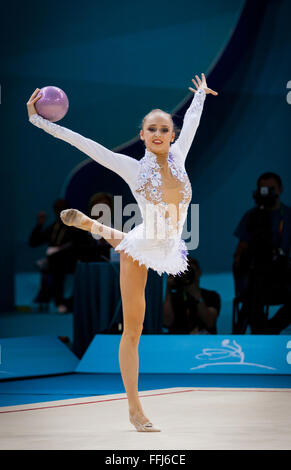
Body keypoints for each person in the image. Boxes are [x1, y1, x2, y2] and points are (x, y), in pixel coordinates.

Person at [27, 74, 218, 432]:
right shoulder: (133, 168)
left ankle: (98, 227)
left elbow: (192, 118)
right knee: (134, 330)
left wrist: (200, 96)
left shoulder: (179, 153)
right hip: (143, 244)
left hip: (170, 244)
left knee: (134, 246)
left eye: (165, 128)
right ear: (143, 136)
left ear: (171, 135)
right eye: (152, 129)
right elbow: (87, 145)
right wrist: (38, 120)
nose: (159, 133)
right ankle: (134, 409)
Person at [233, 172, 291, 333]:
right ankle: (261, 333)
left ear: (280, 189)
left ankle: (270, 330)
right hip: (254, 277)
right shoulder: (252, 216)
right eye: (263, 189)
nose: (267, 193)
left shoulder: (288, 216)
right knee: (254, 289)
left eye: (271, 189)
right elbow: (239, 253)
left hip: (281, 277)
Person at [29, 198, 79, 313]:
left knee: (57, 263)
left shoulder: (75, 227)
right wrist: (39, 225)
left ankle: (64, 302)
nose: (59, 211)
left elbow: (78, 244)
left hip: (70, 261)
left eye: (62, 208)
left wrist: (59, 250)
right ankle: (55, 300)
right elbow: (33, 242)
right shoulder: (53, 227)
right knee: (53, 265)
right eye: (57, 209)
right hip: (54, 262)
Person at [163, 257, 220, 334]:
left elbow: (210, 322)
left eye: (191, 271)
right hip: (177, 341)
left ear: (199, 272)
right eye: (184, 271)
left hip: (205, 342)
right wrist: (168, 289)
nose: (187, 274)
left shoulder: (212, 296)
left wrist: (196, 294)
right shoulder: (173, 297)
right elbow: (166, 322)